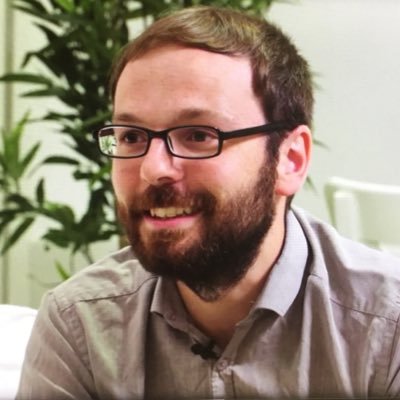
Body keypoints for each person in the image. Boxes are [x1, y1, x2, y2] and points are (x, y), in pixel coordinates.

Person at [17, 6, 400, 399]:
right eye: (132, 137)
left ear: (291, 159)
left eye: (199, 135)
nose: (153, 169)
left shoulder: (386, 329)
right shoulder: (79, 325)